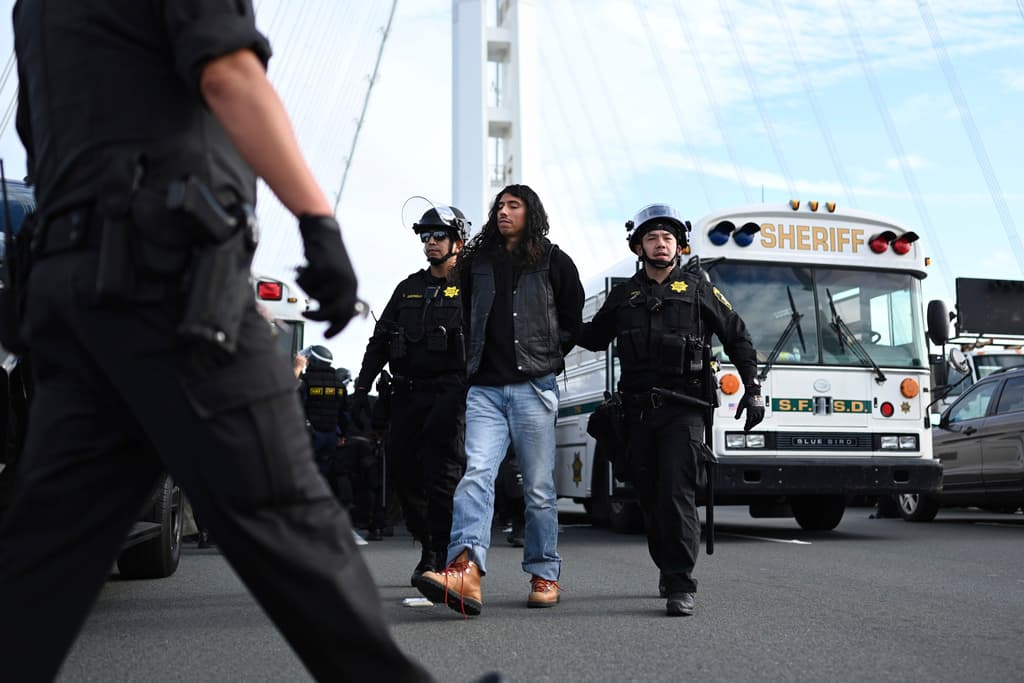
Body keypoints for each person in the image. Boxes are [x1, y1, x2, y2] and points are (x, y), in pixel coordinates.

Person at [0, 2, 434, 680]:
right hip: (167, 282)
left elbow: (38, 132)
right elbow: (230, 74)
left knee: (43, 559)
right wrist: (318, 222)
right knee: (286, 508)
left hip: (68, 292)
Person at [574, 204, 765, 617]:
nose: (661, 244)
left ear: (679, 245)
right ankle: (667, 565)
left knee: (677, 494)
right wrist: (560, 309)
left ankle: (681, 582)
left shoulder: (699, 289)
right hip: (638, 412)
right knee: (650, 497)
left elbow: (738, 338)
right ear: (638, 246)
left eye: (668, 238)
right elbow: (591, 338)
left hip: (685, 410)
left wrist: (753, 390)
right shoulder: (624, 295)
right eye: (652, 238)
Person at [414, 184, 584, 615]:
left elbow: (572, 319)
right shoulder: (478, 262)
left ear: (532, 212)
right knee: (476, 476)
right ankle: (465, 571)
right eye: (500, 206)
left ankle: (544, 573)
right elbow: (468, 313)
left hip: (534, 387)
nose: (504, 211)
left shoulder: (554, 260)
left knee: (540, 489)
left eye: (514, 205)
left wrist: (547, 357)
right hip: (485, 390)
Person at [353, 202, 469, 585]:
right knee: (403, 475)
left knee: (442, 477)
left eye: (439, 235)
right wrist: (361, 385)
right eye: (425, 236)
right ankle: (427, 540)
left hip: (450, 395)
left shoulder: (472, 287)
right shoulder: (408, 288)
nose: (431, 242)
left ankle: (437, 553)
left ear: (458, 241)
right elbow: (381, 339)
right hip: (406, 396)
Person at [299, 345, 348, 505]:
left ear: (313, 361)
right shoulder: (340, 385)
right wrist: (342, 435)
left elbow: (296, 408)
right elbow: (344, 414)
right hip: (331, 436)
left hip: (310, 436)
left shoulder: (305, 382)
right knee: (324, 475)